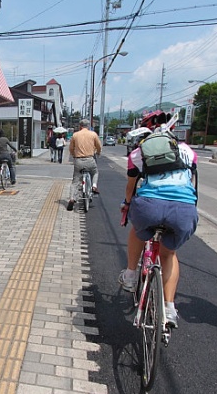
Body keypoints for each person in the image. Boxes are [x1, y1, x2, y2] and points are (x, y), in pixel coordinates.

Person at [118, 128, 198, 329]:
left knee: (137, 230)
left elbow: (131, 187)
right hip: (183, 210)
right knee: (169, 254)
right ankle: (169, 308)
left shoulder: (137, 153)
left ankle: (130, 275)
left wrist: (127, 204)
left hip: (149, 207)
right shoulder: (188, 151)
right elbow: (191, 178)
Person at [66, 119, 102, 211]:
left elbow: (71, 148)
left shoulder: (75, 135)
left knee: (75, 181)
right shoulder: (93, 134)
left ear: (80, 126)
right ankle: (94, 186)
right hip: (90, 159)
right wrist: (98, 152)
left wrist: (74, 155)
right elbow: (99, 146)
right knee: (95, 172)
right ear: (88, 126)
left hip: (78, 161)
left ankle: (72, 198)